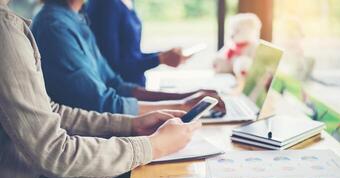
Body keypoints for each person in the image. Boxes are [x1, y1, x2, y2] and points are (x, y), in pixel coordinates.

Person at [0, 1, 202, 178]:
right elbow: (54, 153)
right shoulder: (22, 29)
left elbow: (51, 110)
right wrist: (153, 145)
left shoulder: (77, 18)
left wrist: (131, 124)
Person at [31, 0, 226, 116]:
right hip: (86, 142)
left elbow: (116, 84)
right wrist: (181, 105)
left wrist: (186, 97)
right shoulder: (54, 26)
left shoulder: (76, 18)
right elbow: (99, 103)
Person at [86, 0, 187, 86]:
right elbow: (113, 66)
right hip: (123, 93)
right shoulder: (107, 5)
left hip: (137, 87)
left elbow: (131, 54)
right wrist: (160, 59)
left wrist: (163, 56)